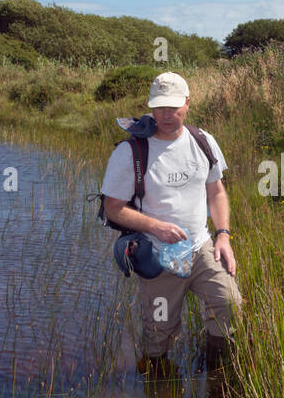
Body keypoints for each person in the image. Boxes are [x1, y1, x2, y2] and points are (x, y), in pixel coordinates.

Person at [101, 72, 242, 373]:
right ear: (151, 107)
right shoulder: (131, 152)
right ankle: (159, 391)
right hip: (158, 255)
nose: (167, 115)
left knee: (228, 303)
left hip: (202, 247)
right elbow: (112, 208)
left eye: (174, 107)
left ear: (188, 103)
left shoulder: (203, 141)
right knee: (159, 332)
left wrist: (223, 236)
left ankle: (216, 377)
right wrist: (154, 227)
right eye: (160, 107)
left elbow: (216, 192)